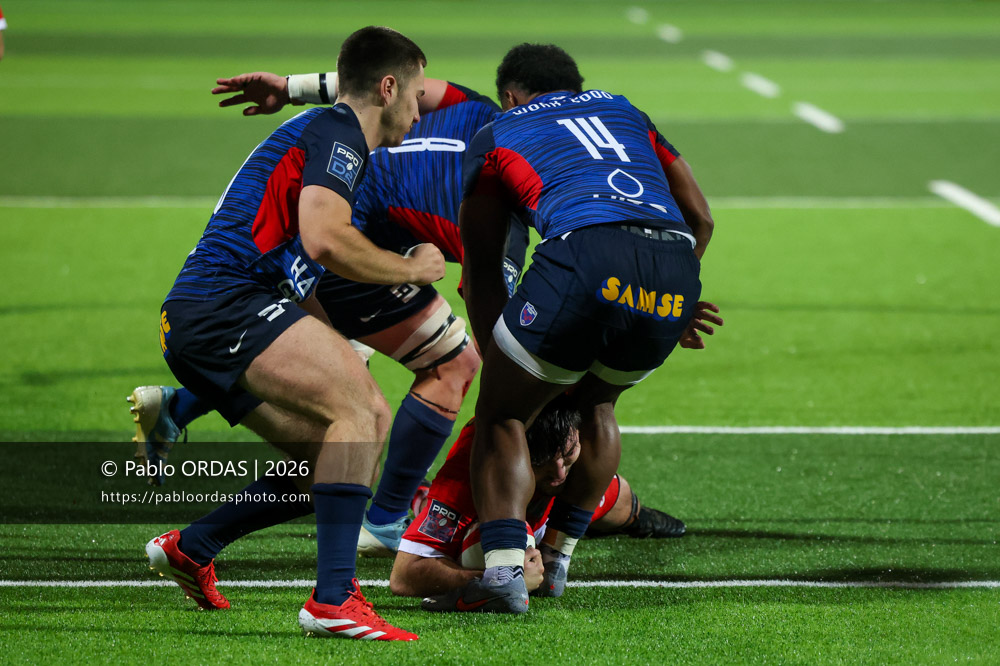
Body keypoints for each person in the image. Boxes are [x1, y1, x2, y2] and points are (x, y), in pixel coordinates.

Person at [129, 72, 525, 556]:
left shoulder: (472, 106)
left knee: (333, 373)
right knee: (446, 366)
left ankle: (184, 422)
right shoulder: (498, 214)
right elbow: (497, 333)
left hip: (333, 223)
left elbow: (384, 79)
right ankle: (382, 526)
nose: (416, 114)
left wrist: (290, 87)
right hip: (346, 240)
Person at [145, 26, 437, 641]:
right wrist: (413, 268)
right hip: (225, 307)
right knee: (365, 413)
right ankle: (333, 599)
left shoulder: (322, 136)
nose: (418, 112)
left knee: (331, 457)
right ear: (387, 89)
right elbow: (325, 241)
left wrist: (336, 349)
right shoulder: (338, 136)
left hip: (207, 317)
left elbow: (298, 269)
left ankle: (193, 547)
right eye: (414, 97)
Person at [434, 43, 721, 614]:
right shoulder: (624, 109)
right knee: (597, 405)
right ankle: (559, 559)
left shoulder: (499, 128)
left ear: (511, 95)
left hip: (586, 252)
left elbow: (484, 264)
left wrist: (499, 361)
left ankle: (505, 576)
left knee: (503, 413)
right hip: (674, 264)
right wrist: (675, 293)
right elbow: (700, 217)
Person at [390, 399, 686, 600]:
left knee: (621, 501)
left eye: (568, 456)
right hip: (489, 511)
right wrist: (492, 580)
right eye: (544, 461)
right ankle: (422, 499)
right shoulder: (472, 467)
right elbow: (403, 576)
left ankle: (636, 516)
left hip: (556, 507)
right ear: (514, 455)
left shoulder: (574, 462)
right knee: (449, 531)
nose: (559, 473)